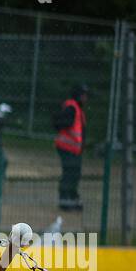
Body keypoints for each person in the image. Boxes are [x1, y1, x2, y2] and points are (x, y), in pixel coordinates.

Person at [53, 83, 88, 211]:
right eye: (83, 95)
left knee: (74, 174)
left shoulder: (76, 108)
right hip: (67, 147)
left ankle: (72, 198)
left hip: (74, 149)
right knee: (69, 174)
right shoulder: (71, 108)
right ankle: (65, 200)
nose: (85, 98)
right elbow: (62, 123)